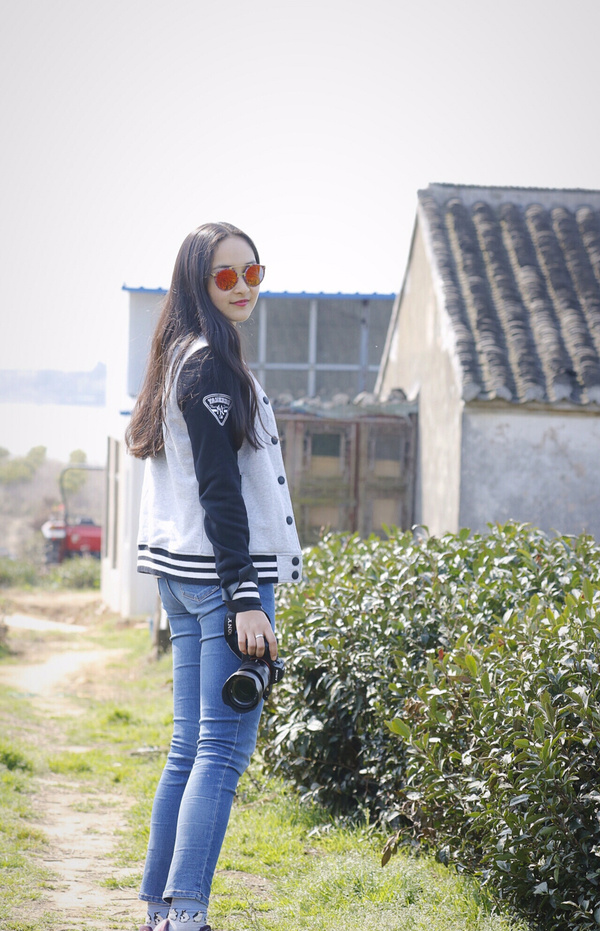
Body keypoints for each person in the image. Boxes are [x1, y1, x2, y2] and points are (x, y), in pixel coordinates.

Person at [126, 222, 303, 931]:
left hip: (184, 575)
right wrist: (244, 597)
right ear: (198, 283)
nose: (242, 287)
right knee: (220, 753)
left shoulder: (178, 358)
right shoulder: (208, 367)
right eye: (225, 276)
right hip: (221, 581)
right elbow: (220, 491)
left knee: (188, 750)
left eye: (252, 273)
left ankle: (161, 912)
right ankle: (188, 916)